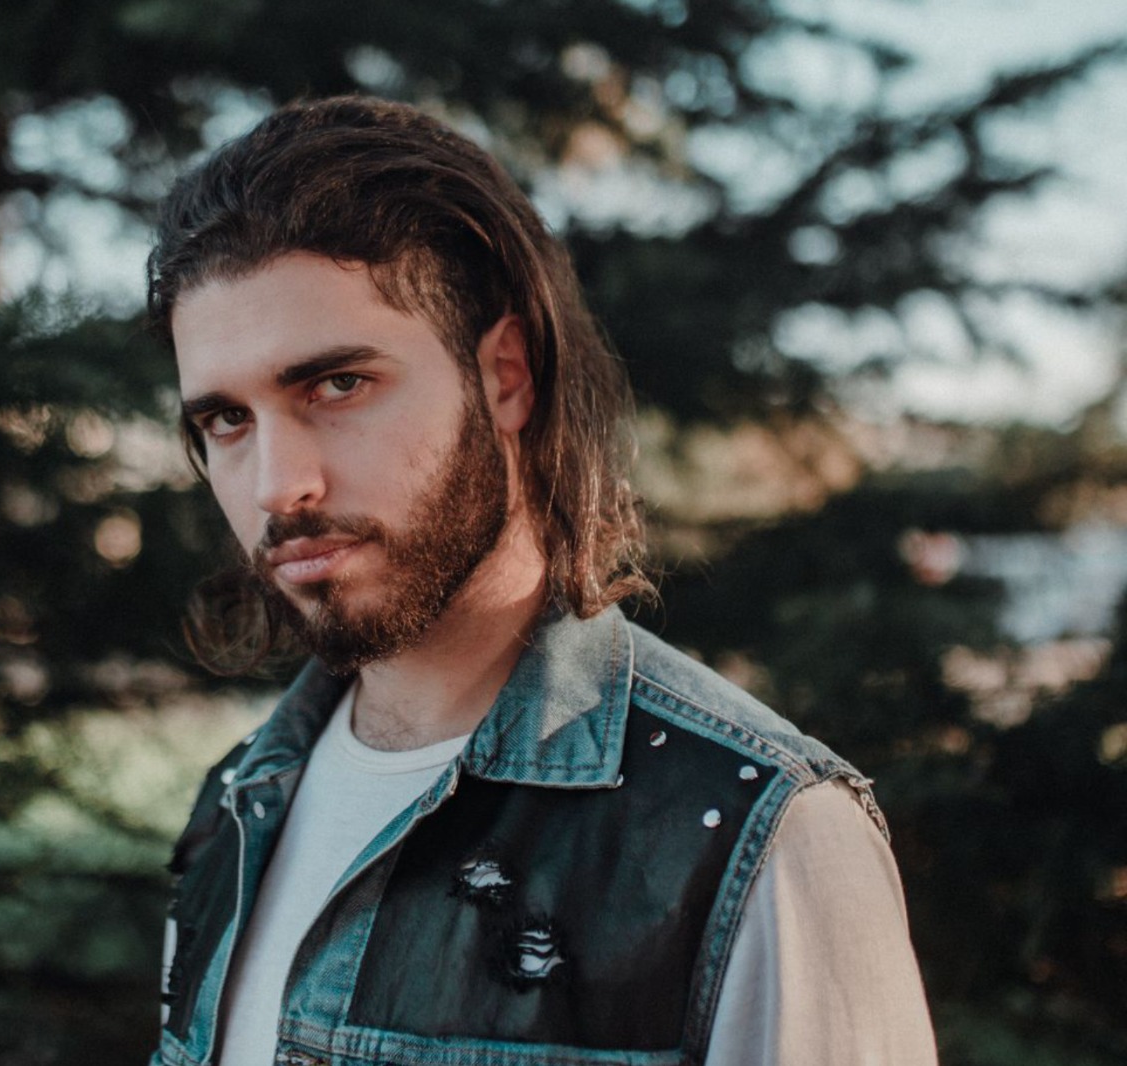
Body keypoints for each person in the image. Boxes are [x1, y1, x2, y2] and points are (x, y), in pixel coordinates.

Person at [145, 95, 936, 1066]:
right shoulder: (238, 802)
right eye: (227, 420)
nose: (277, 486)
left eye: (338, 384)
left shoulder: (760, 837)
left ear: (506, 376)